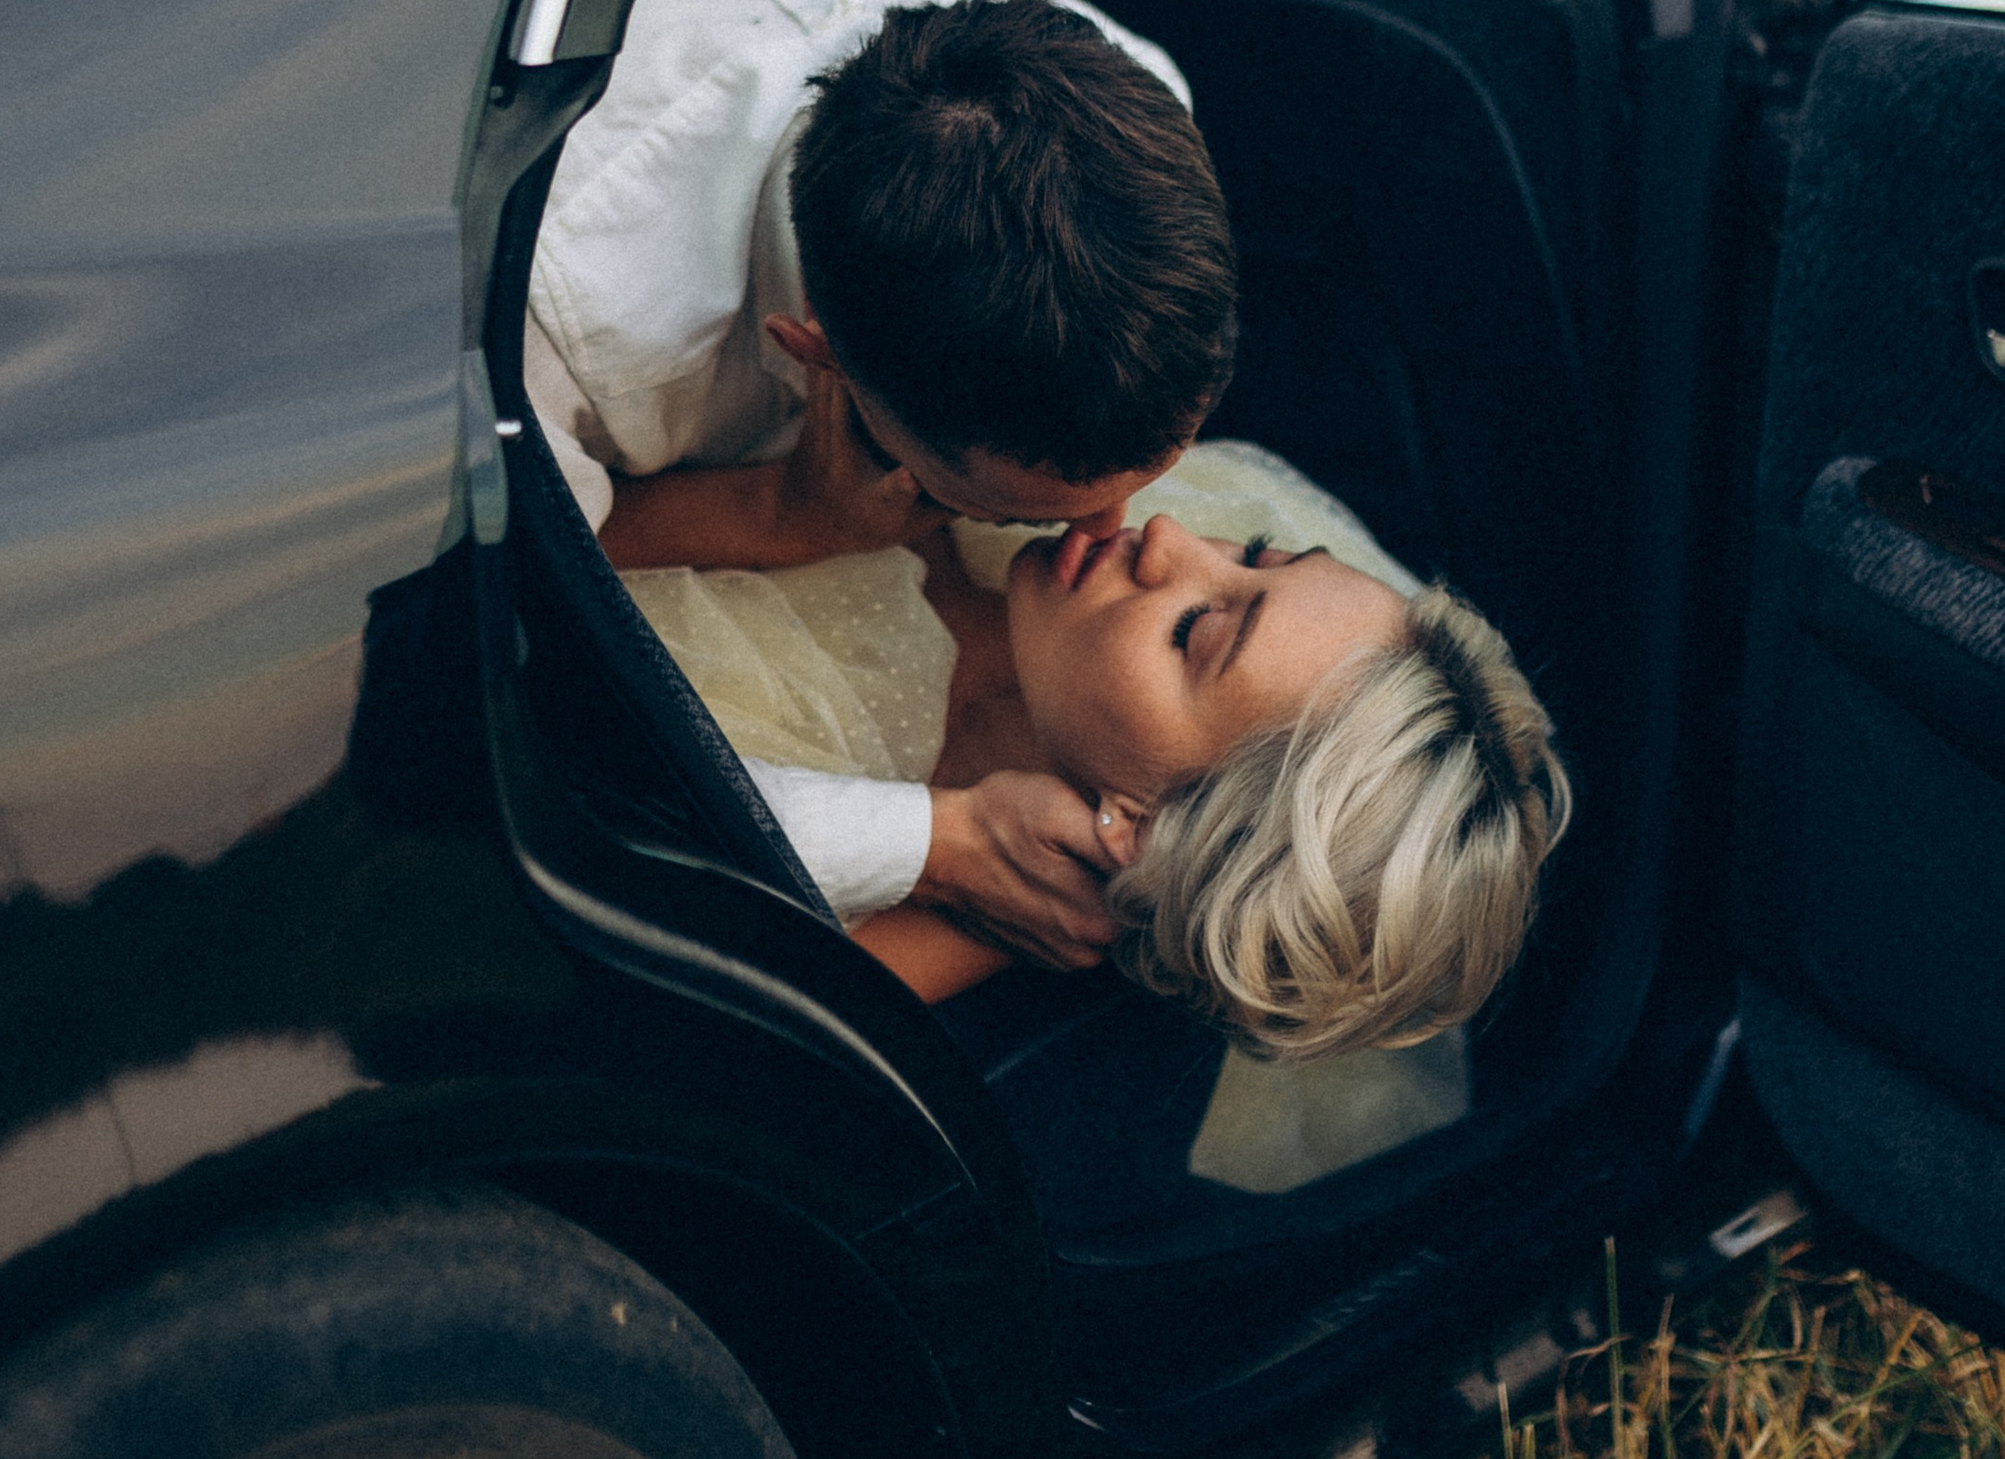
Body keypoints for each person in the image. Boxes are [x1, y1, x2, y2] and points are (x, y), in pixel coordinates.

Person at [524, 0, 1239, 958]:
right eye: (1004, 510)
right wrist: (781, 519)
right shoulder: (556, 319)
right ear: (813, 351)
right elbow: (503, 672)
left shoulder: (1134, 96)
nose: (1113, 531)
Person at [621, 438, 1571, 1059]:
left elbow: (602, 900)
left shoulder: (992, 903)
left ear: (1142, 830)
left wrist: (934, 841)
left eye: (1195, 630)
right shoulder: (1065, 463)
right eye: (1252, 553)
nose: (1168, 534)